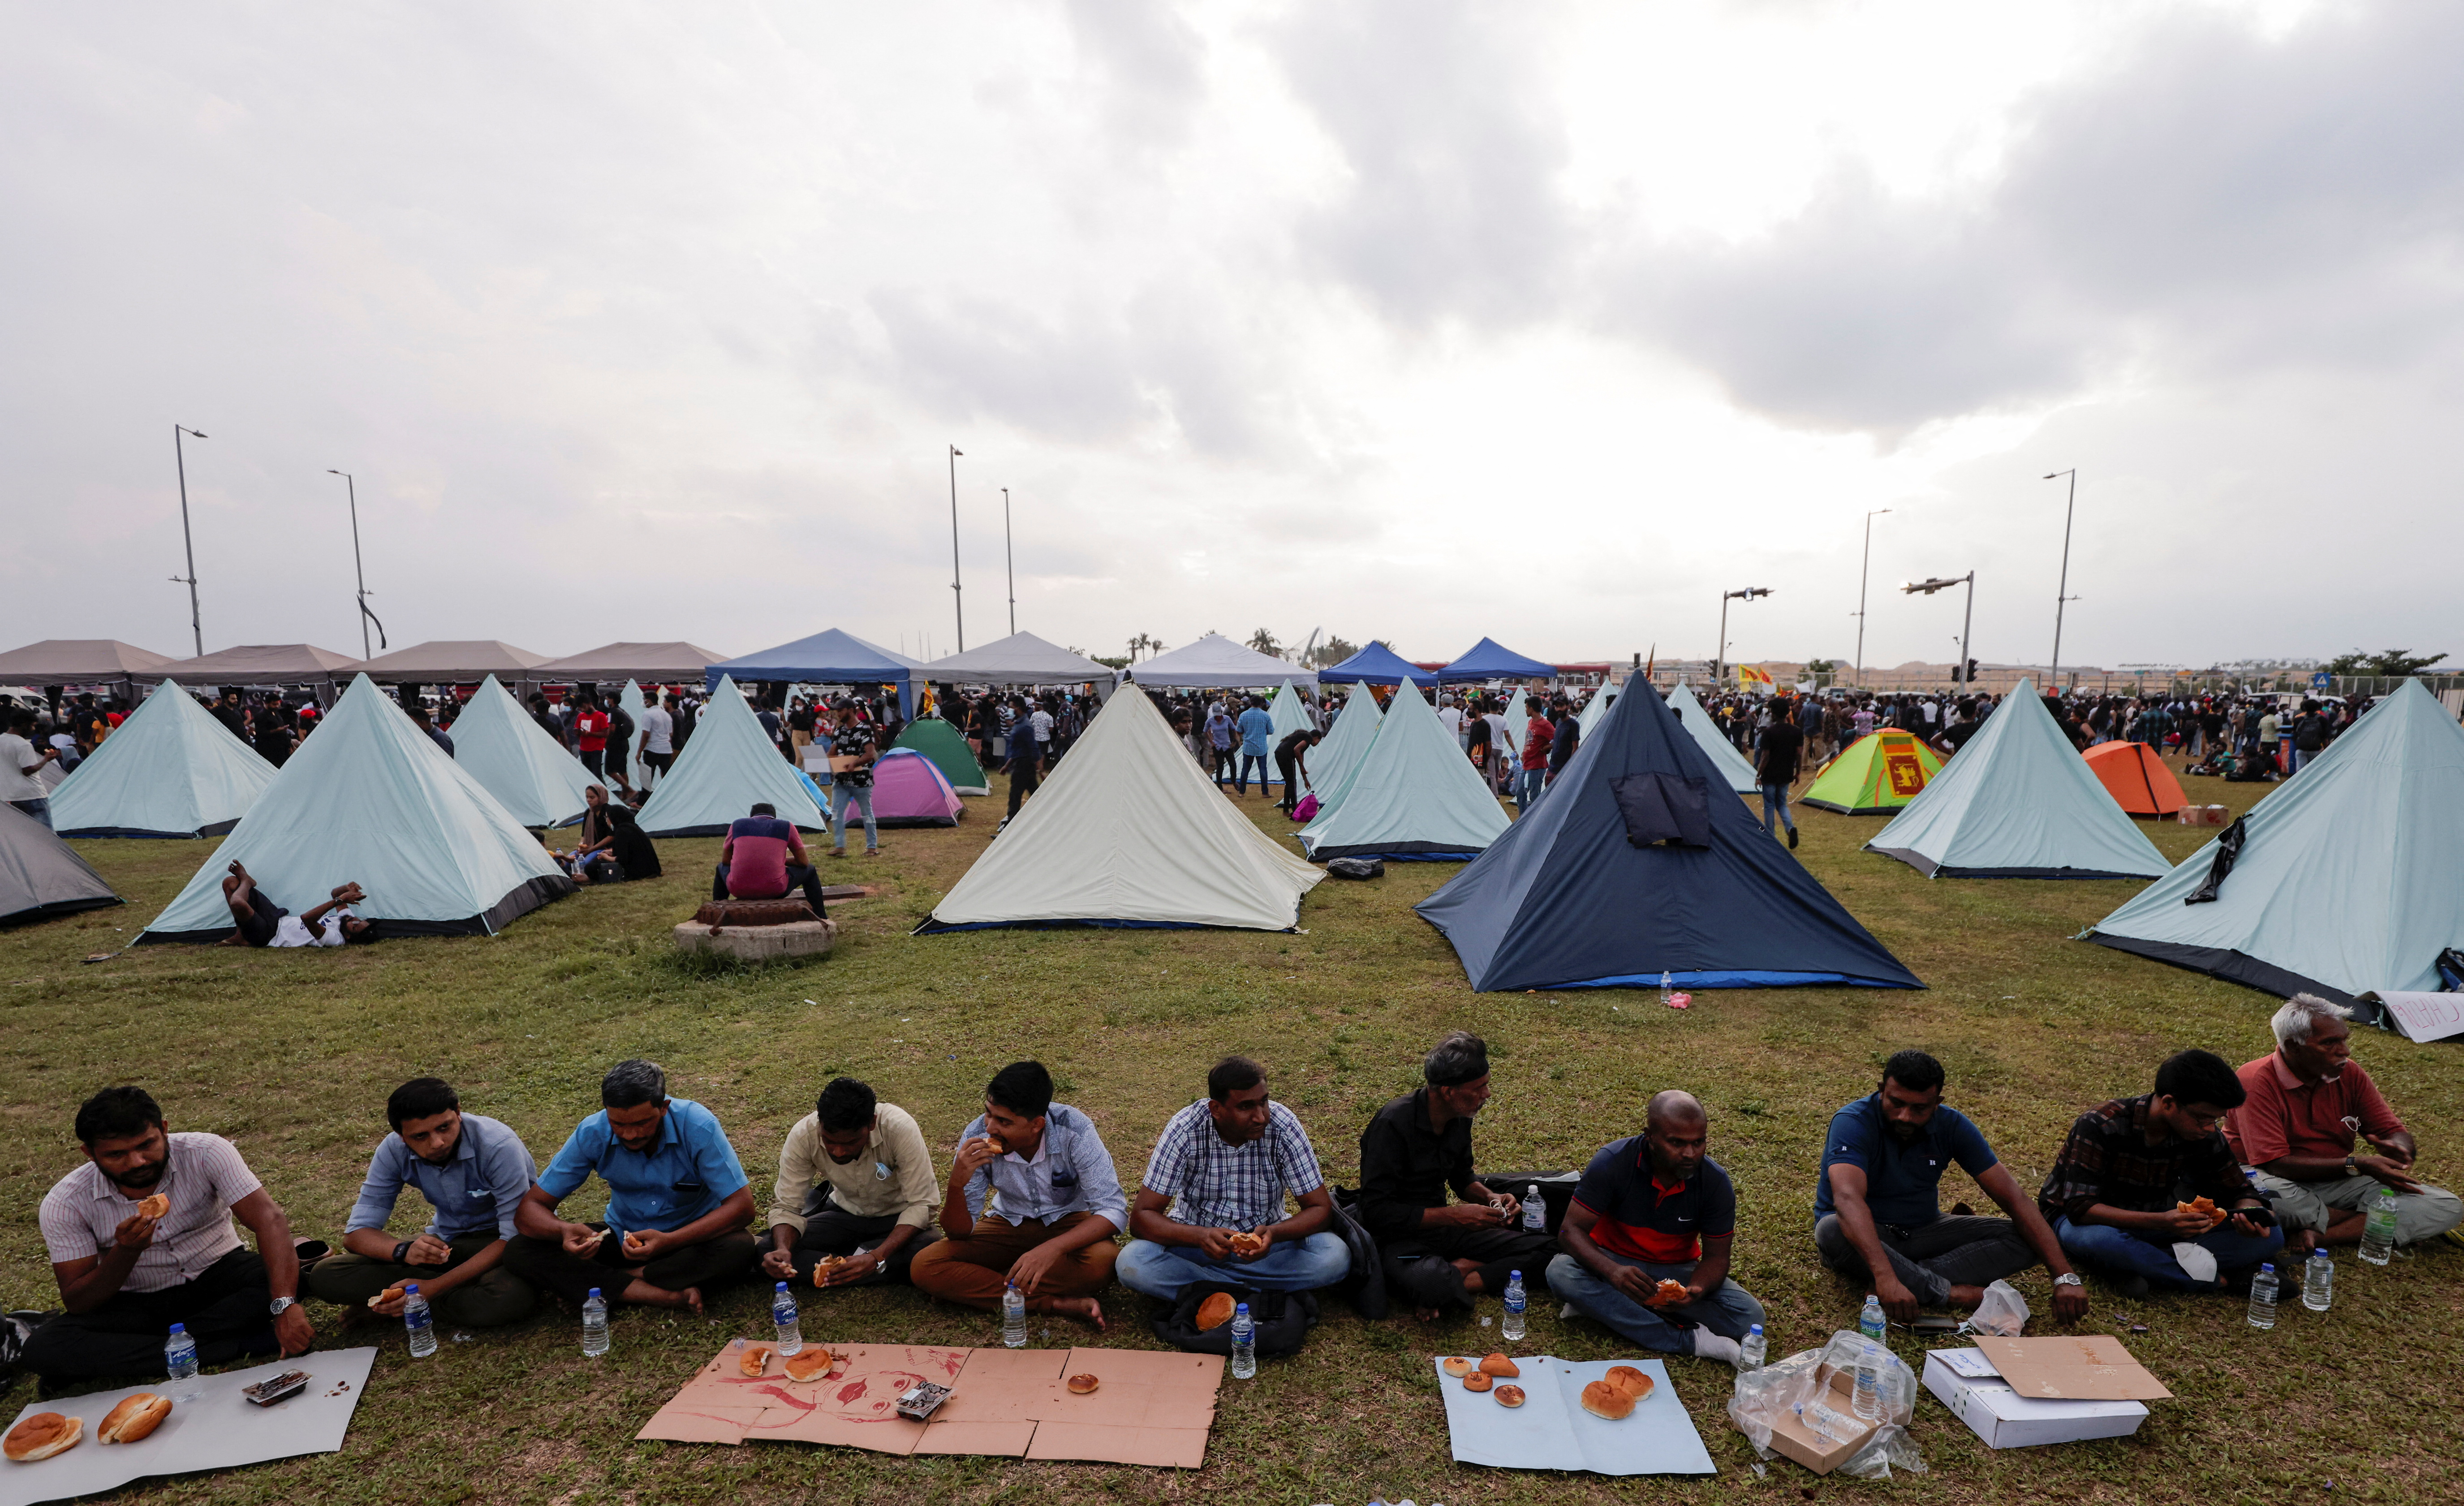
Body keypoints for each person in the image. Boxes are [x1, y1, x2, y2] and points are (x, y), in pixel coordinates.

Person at [25, 1087, 314, 1383]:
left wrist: (283, 1305)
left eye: (146, 1145)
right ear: (90, 1153)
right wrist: (126, 1252)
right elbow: (79, 1301)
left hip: (218, 1275)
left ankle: (138, 1354)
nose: (137, 1161)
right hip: (136, 1300)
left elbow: (270, 1219)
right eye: (116, 1154)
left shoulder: (205, 1152)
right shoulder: (67, 1201)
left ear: (164, 1130)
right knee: (43, 1348)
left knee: (289, 1281)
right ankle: (236, 1344)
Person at [1812, 1050, 2087, 1324]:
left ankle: (1911, 1279)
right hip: (1865, 1235)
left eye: (1919, 1108)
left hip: (1924, 1231)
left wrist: (2065, 1277)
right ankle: (1946, 1292)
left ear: (1937, 1103)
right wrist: (1885, 1275)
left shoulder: (1953, 1125)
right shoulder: (1853, 1121)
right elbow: (1848, 1199)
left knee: (2029, 1236)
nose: (1905, 1117)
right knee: (1831, 1228)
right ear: (1882, 1090)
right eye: (1896, 1103)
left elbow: (2015, 1199)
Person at [504, 1060, 757, 1316]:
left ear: (664, 1108)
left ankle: (606, 1284)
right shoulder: (593, 1132)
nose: (630, 1135)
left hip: (691, 1241)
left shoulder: (697, 1126)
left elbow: (742, 1208)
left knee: (739, 1247)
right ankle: (662, 1294)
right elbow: (529, 1211)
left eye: (642, 1123)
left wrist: (670, 1241)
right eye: (619, 1125)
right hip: (623, 1239)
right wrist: (564, 1231)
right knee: (520, 1249)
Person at [2039, 1050, 2285, 1295]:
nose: (2210, 1129)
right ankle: (2217, 1280)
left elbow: (2240, 1189)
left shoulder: (2205, 1135)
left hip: (2158, 1225)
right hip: (2087, 1222)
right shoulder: (2102, 1124)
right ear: (2168, 1104)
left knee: (2272, 1236)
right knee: (2102, 1243)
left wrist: (2248, 1215)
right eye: (2203, 1119)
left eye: (2217, 1120)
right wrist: (2163, 1221)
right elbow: (2081, 1208)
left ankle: (2136, 1266)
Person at [2226, 996, 2463, 1250]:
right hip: (2270, 1177)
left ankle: (2320, 1235)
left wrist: (2400, 1147)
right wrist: (2356, 1164)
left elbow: (2391, 1130)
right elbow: (2276, 1165)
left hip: (2333, 1180)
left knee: (2445, 1204)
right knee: (2274, 1201)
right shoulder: (2256, 1079)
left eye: (2344, 1040)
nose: (2345, 1051)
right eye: (2330, 1043)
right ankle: (2368, 1220)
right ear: (2293, 1046)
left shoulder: (2350, 1073)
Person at [1548, 1091, 1763, 1366]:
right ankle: (1691, 1340)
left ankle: (1605, 1306)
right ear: (1650, 1137)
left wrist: (1696, 1289)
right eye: (1677, 1143)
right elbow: (1570, 1231)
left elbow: (1717, 1258)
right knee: (1561, 1272)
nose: (1690, 1154)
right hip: (1612, 1261)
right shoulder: (1614, 1162)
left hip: (1676, 1271)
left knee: (1749, 1318)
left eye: (1699, 1142)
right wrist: (1613, 1272)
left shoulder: (1715, 1183)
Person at [306, 1078, 539, 1329]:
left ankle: (406, 1307)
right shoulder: (393, 1150)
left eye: (444, 1127)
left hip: (505, 1248)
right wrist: (403, 1251)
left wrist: (433, 1288)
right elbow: (356, 1235)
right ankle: (442, 1294)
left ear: (458, 1113)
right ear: (402, 1136)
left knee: (507, 1299)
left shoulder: (497, 1146)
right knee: (326, 1274)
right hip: (448, 1246)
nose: (437, 1142)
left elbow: (514, 1239)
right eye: (420, 1136)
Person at [910, 1061, 1125, 1330]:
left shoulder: (1075, 1131)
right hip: (1007, 1223)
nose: (990, 1127)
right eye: (988, 1114)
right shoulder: (976, 1135)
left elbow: (1112, 1210)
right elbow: (958, 1233)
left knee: (1102, 1263)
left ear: (1036, 1125)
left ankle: (979, 1285)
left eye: (1004, 1122)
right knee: (925, 1265)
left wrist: (1052, 1249)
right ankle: (1055, 1303)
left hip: (1068, 1222)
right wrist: (956, 1184)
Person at [1116, 1057, 1351, 1301]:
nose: (1261, 1117)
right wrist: (1200, 1237)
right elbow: (1142, 1218)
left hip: (1270, 1250)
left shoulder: (1284, 1127)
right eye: (1246, 1107)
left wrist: (1273, 1234)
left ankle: (1208, 1289)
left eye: (1264, 1102)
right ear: (1216, 1110)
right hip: (1194, 1247)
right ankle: (1258, 1291)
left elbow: (1320, 1209)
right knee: (1132, 1262)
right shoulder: (1185, 1130)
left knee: (1334, 1256)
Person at [1356, 1032, 1555, 1318]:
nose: (1486, 1095)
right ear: (1448, 1091)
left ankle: (1460, 1274)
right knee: (1429, 1281)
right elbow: (1376, 1212)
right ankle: (1445, 1279)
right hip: (1398, 1240)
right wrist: (1455, 1216)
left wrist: (1491, 1198)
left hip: (1445, 1232)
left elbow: (1462, 1178)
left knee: (1551, 1248)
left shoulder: (1460, 1116)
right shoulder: (1393, 1125)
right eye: (1479, 1088)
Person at [759, 1077, 942, 1288]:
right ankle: (862, 1265)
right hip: (845, 1216)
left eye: (851, 1143)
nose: (838, 1151)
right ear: (820, 1123)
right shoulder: (804, 1136)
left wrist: (878, 1256)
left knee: (927, 1246)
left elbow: (922, 1205)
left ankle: (853, 1263)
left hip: (897, 1219)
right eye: (829, 1141)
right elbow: (787, 1208)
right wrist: (783, 1249)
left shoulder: (899, 1128)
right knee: (767, 1249)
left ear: (871, 1124)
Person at [217, 862, 377, 947]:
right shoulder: (346, 919)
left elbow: (307, 919)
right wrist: (346, 889)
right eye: (360, 920)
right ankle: (241, 935)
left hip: (269, 935)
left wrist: (340, 901)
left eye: (355, 926)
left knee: (238, 902)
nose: (354, 920)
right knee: (230, 883)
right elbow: (335, 894)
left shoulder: (336, 939)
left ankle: (247, 881)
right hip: (277, 919)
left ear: (349, 936)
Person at [713, 803, 828, 913]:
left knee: (720, 867)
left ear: (751, 817)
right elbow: (804, 862)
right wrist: (782, 862)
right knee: (811, 870)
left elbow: (726, 861)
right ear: (774, 818)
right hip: (775, 889)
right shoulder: (787, 826)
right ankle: (820, 915)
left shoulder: (737, 825)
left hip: (738, 890)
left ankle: (717, 909)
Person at [826, 709, 881, 858]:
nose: (837, 714)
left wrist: (854, 764)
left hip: (862, 780)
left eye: (840, 711)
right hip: (842, 781)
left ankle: (872, 848)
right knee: (836, 814)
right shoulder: (839, 731)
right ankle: (840, 847)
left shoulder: (864, 730)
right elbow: (831, 753)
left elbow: (870, 754)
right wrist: (829, 763)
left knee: (867, 814)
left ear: (850, 711)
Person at [2, 709, 60, 827]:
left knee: (24, 834)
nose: (33, 730)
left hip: (12, 795)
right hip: (33, 795)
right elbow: (28, 771)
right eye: (32, 726)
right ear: (24, 724)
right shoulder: (23, 745)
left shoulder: (1, 740)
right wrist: (46, 760)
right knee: (45, 834)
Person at [1754, 708, 1802, 848]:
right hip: (1786, 772)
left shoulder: (1769, 732)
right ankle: (1790, 828)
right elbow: (1799, 753)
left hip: (1770, 773)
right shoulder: (1797, 731)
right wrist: (1798, 772)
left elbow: (1765, 756)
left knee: (1769, 805)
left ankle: (1770, 835)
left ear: (1774, 715)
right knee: (1782, 803)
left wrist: (1759, 774)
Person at [1000, 717, 1042, 827]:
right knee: (1034, 793)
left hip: (1023, 766)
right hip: (1024, 765)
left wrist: (1040, 770)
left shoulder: (1024, 727)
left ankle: (1010, 826)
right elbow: (1018, 751)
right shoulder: (1021, 726)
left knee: (1015, 796)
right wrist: (1007, 766)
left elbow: (1034, 748)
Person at [1273, 727, 1322, 817]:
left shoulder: (1304, 738)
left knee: (1290, 783)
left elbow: (1301, 759)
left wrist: (1305, 780)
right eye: (1318, 741)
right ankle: (1295, 810)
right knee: (1292, 783)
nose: (1317, 743)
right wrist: (1301, 766)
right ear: (1316, 738)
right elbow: (1296, 750)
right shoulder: (1308, 738)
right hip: (1285, 755)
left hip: (1280, 753)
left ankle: (1286, 811)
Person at [1233, 696, 1275, 797]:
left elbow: (1239, 731)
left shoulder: (1244, 715)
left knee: (1245, 769)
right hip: (1261, 747)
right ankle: (1265, 793)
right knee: (1263, 769)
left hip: (1248, 746)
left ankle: (1242, 792)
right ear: (1262, 704)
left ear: (1251, 703)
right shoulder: (1265, 715)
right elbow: (1271, 731)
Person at [1517, 703, 1553, 809]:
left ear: (1532, 709)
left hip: (1537, 766)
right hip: (1526, 764)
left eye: (1527, 708)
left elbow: (1557, 738)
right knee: (1520, 793)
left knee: (1534, 797)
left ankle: (1535, 822)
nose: (1526, 710)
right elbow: (1530, 740)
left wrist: (1547, 747)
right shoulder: (1531, 722)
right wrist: (1524, 753)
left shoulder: (1545, 725)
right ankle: (1523, 821)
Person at [638, 695, 675, 786]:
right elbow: (671, 734)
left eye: (644, 700)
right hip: (666, 750)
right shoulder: (666, 715)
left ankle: (644, 799)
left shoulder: (647, 714)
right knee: (667, 776)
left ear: (649, 700)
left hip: (652, 750)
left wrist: (639, 752)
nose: (644, 702)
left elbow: (646, 735)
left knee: (647, 779)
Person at [572, 695, 611, 779]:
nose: (582, 709)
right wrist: (578, 732)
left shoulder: (601, 716)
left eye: (583, 707)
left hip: (596, 749)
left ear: (590, 704)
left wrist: (590, 734)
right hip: (584, 749)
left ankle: (602, 791)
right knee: (587, 774)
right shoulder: (581, 716)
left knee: (597, 774)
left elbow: (605, 734)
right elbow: (578, 729)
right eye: (580, 708)